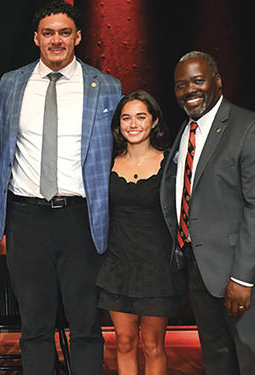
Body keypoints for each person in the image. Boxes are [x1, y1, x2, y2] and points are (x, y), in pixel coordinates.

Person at [0, 1, 122, 373]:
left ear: (78, 37)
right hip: (26, 218)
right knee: (34, 325)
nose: (56, 40)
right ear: (36, 38)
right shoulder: (11, 84)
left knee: (85, 324)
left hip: (80, 219)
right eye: (48, 33)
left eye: (64, 33)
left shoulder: (107, 88)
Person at [160, 51, 255, 374]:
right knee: (216, 359)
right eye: (181, 85)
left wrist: (243, 278)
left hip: (237, 276)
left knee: (247, 359)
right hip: (199, 270)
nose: (189, 90)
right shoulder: (187, 130)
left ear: (218, 81)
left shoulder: (246, 126)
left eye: (198, 81)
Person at [95, 90, 187, 375]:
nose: (133, 124)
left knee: (152, 345)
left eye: (140, 117)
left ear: (154, 121)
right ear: (118, 124)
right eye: (126, 118)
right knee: (123, 342)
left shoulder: (172, 163)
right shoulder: (104, 163)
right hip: (116, 265)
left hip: (156, 267)